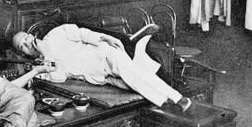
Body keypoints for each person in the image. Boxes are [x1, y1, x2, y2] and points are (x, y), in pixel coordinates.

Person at [12, 23, 192, 113]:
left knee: (133, 75)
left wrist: (106, 38)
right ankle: (174, 97)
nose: (27, 43)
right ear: (23, 53)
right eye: (23, 46)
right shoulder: (42, 67)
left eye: (26, 38)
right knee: (135, 78)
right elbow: (59, 77)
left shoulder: (55, 34)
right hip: (101, 78)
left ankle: (170, 101)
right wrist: (46, 54)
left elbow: (82, 33)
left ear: (31, 34)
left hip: (104, 56)